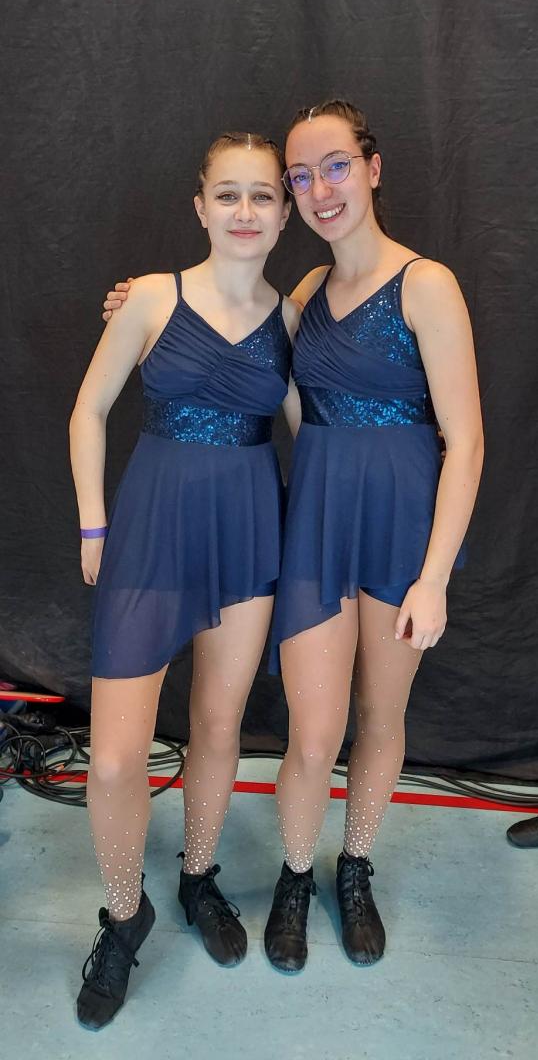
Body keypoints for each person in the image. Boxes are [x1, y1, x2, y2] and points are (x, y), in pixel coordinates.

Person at [103, 98, 484, 975]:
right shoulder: (305, 292)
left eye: (335, 166)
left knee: (382, 717)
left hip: (401, 529)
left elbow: (466, 441)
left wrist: (433, 578)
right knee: (313, 736)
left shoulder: (427, 284)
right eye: (303, 176)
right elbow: (229, 340)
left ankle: (355, 866)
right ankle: (296, 872)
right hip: (316, 521)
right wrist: (139, 307)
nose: (321, 189)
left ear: (372, 169)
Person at [70, 132, 299, 1029]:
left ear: (284, 213)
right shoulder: (150, 298)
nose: (245, 211)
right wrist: (94, 522)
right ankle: (125, 915)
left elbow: (321, 425)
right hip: (152, 534)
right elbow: (89, 409)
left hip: (247, 537)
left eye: (262, 195)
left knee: (218, 724)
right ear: (200, 207)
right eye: (228, 194)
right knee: (115, 757)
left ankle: (198, 874)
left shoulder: (292, 322)